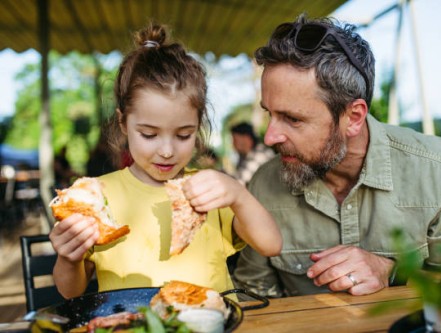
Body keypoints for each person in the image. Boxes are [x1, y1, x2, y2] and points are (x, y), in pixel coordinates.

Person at [233, 14, 441, 297]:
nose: (269, 137)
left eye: (292, 119)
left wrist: (392, 272)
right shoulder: (264, 184)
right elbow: (251, 294)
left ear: (353, 117)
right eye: (270, 114)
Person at [49, 22, 282, 299]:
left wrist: (239, 195)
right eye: (149, 134)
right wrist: (69, 259)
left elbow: (271, 244)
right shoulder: (98, 197)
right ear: (123, 122)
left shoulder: (209, 192)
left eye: (184, 135)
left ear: (198, 127)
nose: (167, 151)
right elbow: (70, 291)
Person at [230, 121, 275, 186]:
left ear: (246, 138)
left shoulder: (261, 154)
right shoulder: (245, 156)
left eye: (235, 140)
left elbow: (240, 182)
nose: (233, 143)